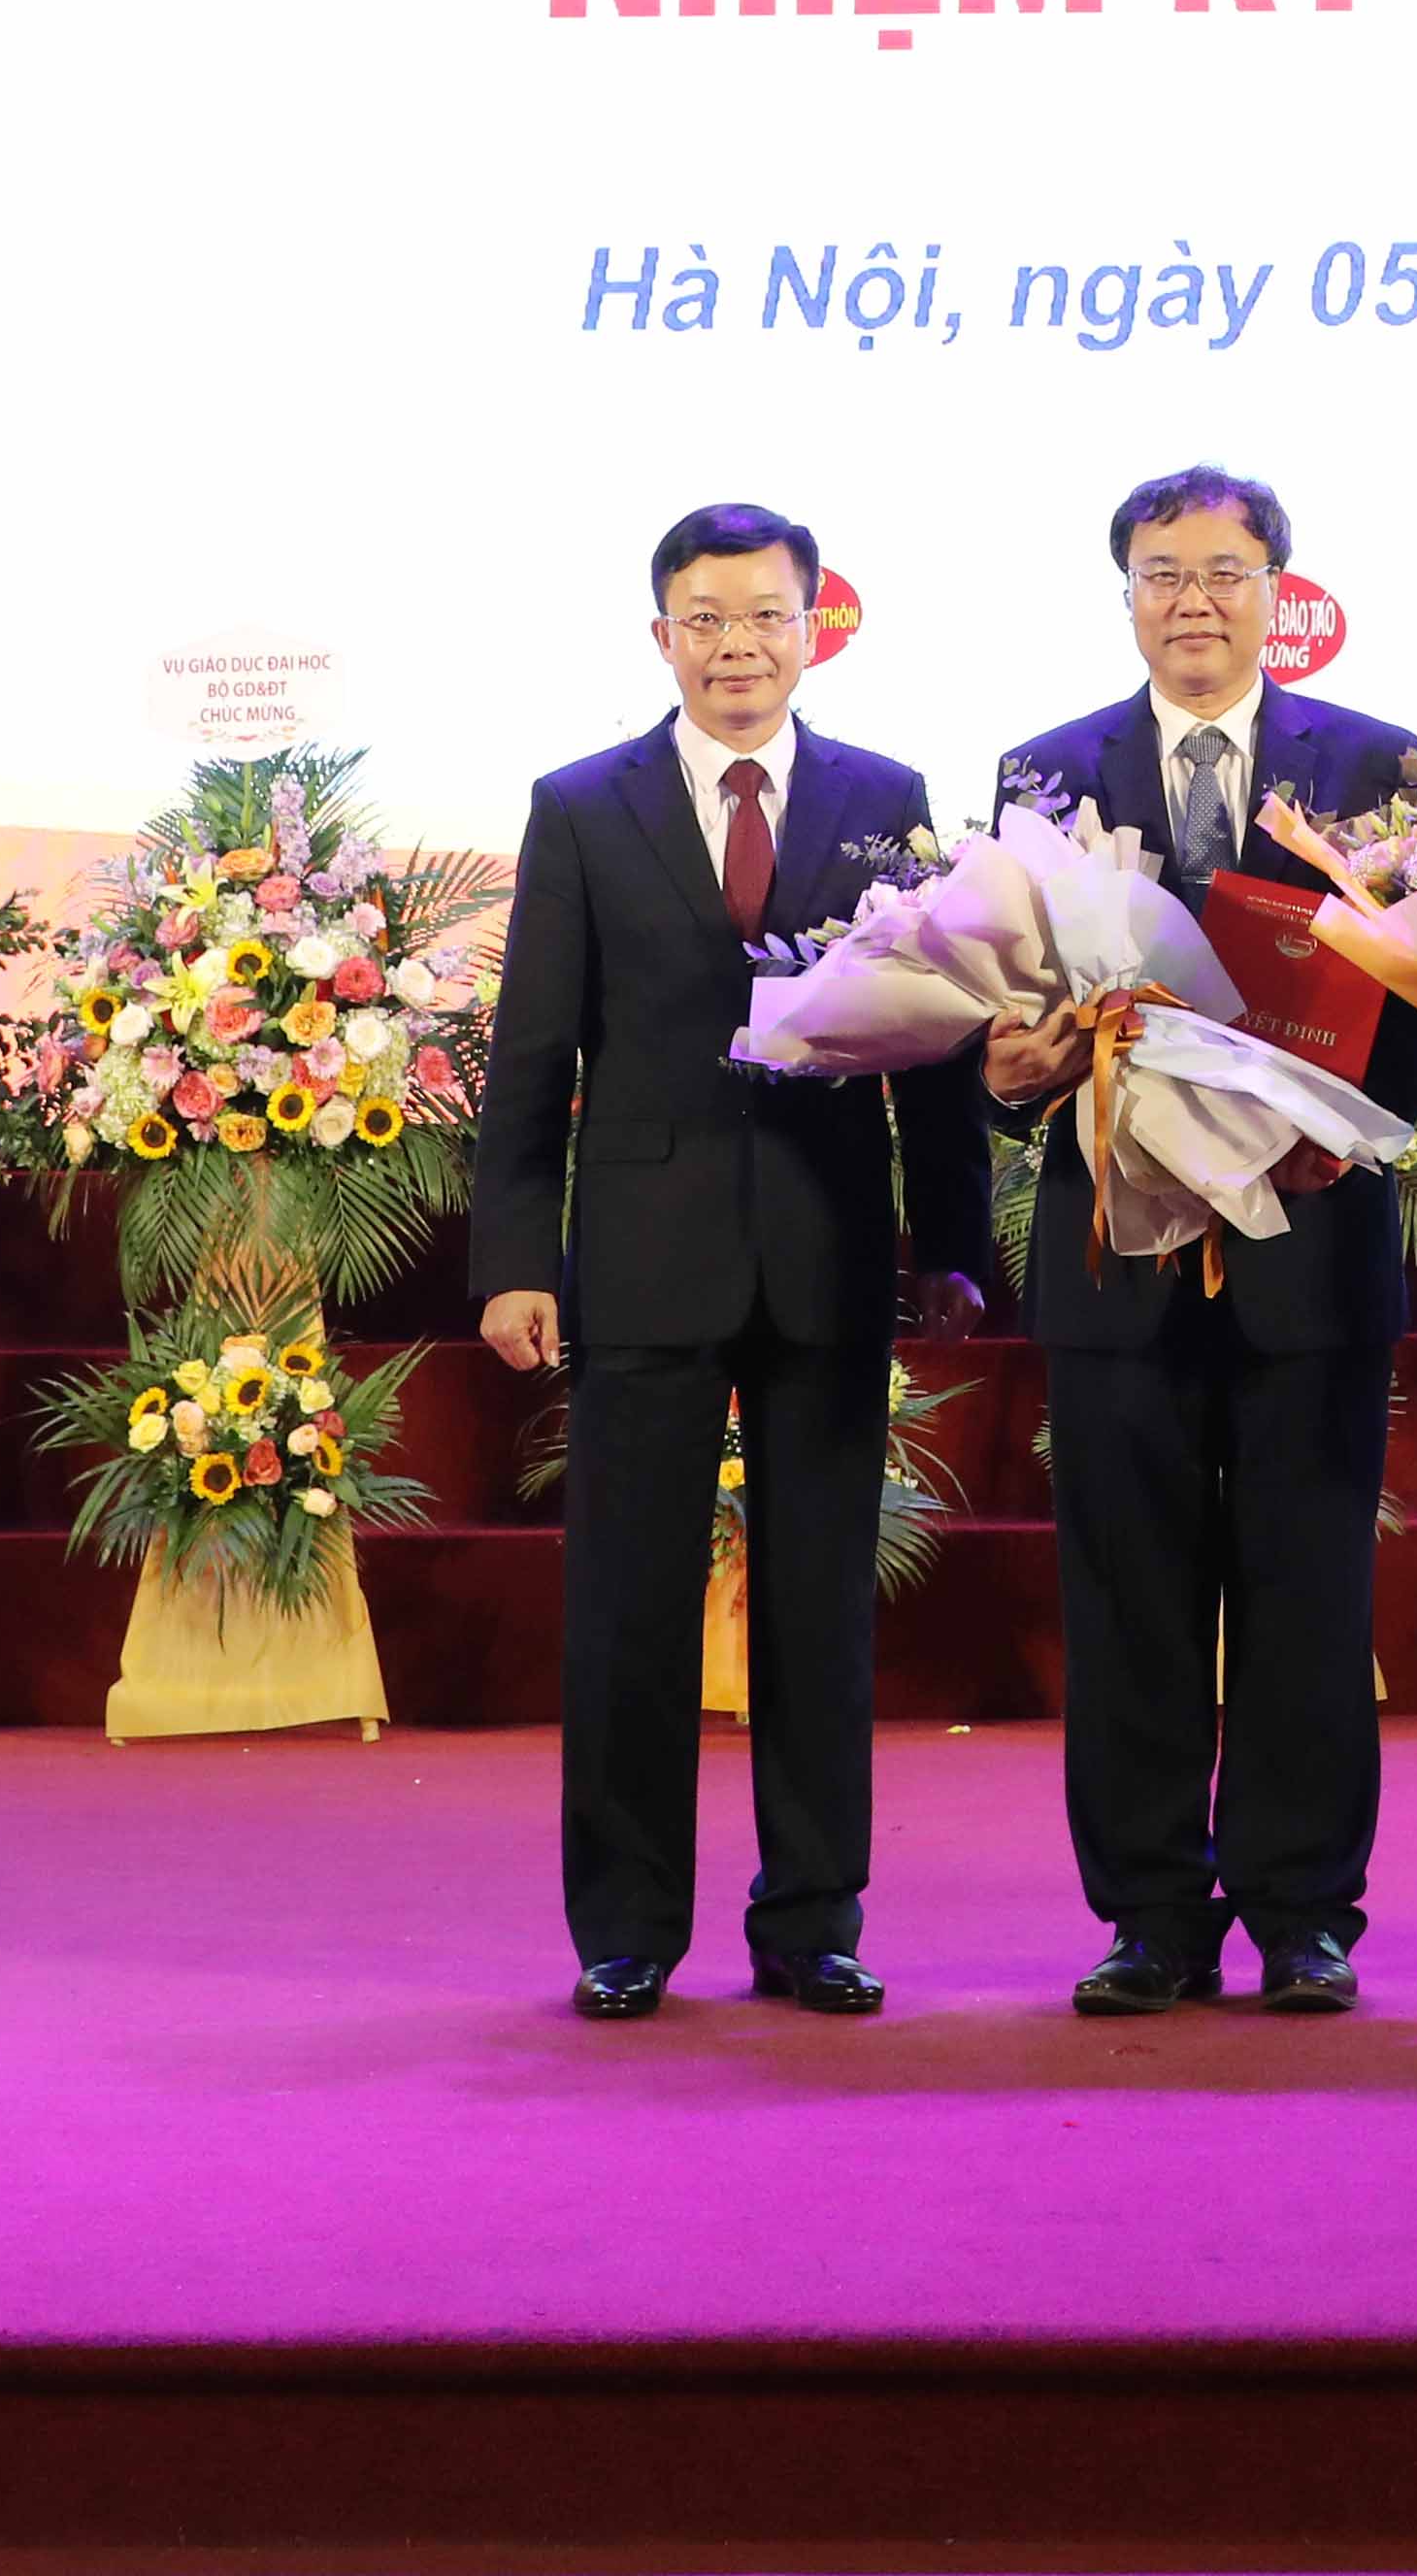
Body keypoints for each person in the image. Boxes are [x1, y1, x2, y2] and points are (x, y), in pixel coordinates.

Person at [472, 503, 993, 2023]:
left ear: (813, 628)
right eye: (704, 620)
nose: (737, 647)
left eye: (766, 616)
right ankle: (626, 1928)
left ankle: (813, 1920)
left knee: (819, 1610)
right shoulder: (582, 807)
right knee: (627, 1608)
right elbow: (532, 1055)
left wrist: (953, 1241)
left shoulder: (885, 798)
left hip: (830, 1252)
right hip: (644, 1259)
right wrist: (516, 1257)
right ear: (663, 637)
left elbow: (940, 1046)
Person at [985, 464, 1417, 2016]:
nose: (1195, 601)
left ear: (1277, 595)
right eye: (1164, 573)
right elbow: (1006, 1000)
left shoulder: (1372, 762)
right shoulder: (1047, 770)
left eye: (1226, 572)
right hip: (1118, 1247)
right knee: (1129, 1594)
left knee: (1308, 1589)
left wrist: (1348, 1125)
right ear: (1126, 593)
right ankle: (1149, 1916)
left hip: (1306, 1236)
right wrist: (1011, 1070)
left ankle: (1304, 1911)